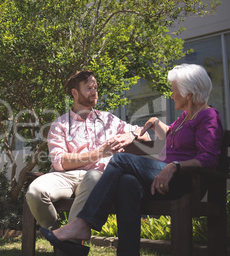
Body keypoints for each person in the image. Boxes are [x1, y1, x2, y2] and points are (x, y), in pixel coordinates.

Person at [40, 64, 224, 256]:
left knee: (120, 160)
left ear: (188, 94)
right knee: (127, 183)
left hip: (185, 181)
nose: (171, 95)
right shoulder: (186, 117)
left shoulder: (208, 116)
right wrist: (155, 122)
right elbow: (170, 135)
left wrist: (174, 166)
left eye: (174, 90)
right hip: (165, 177)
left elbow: (208, 159)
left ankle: (83, 223)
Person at [26, 70, 148, 243]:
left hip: (97, 178)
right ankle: (59, 235)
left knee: (93, 176)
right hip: (65, 176)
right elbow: (60, 162)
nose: (94, 92)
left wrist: (132, 135)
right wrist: (99, 152)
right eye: (89, 88)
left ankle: (68, 244)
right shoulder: (60, 124)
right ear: (75, 93)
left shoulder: (109, 120)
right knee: (34, 192)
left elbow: (145, 135)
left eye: (95, 88)